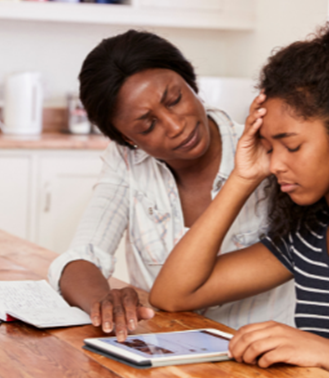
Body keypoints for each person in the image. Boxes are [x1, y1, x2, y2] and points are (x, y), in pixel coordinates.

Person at [149, 19, 329, 378]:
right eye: (268, 148)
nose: (274, 165)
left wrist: (327, 353)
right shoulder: (308, 239)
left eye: (291, 146)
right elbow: (172, 294)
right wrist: (243, 177)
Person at [48, 30, 295, 341]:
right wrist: (105, 302)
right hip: (165, 355)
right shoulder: (127, 162)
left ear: (191, 84)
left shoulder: (265, 152)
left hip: (259, 360)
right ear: (128, 139)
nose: (176, 126)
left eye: (175, 99)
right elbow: (82, 256)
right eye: (148, 124)